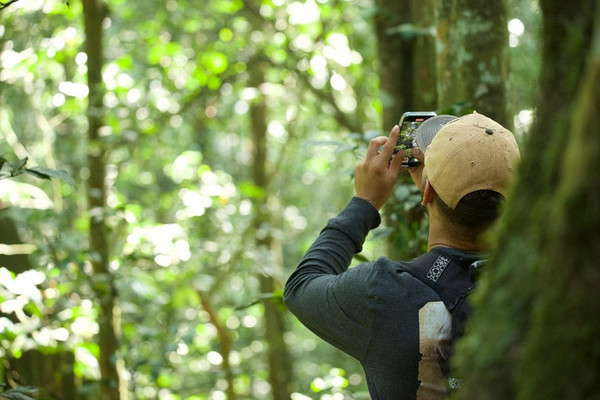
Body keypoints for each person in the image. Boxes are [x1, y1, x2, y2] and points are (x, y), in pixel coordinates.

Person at [283, 112, 520, 399]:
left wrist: (365, 202)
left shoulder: (383, 293)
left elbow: (300, 287)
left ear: (427, 192)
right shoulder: (544, 287)